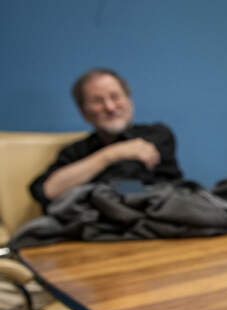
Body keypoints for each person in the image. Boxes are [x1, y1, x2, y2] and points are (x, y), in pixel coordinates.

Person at [29, 69, 182, 211]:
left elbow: (152, 187)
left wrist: (93, 185)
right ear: (84, 112)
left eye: (115, 97)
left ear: (129, 101)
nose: (109, 107)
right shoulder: (75, 151)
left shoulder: (156, 135)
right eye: (97, 101)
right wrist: (111, 155)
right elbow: (45, 190)